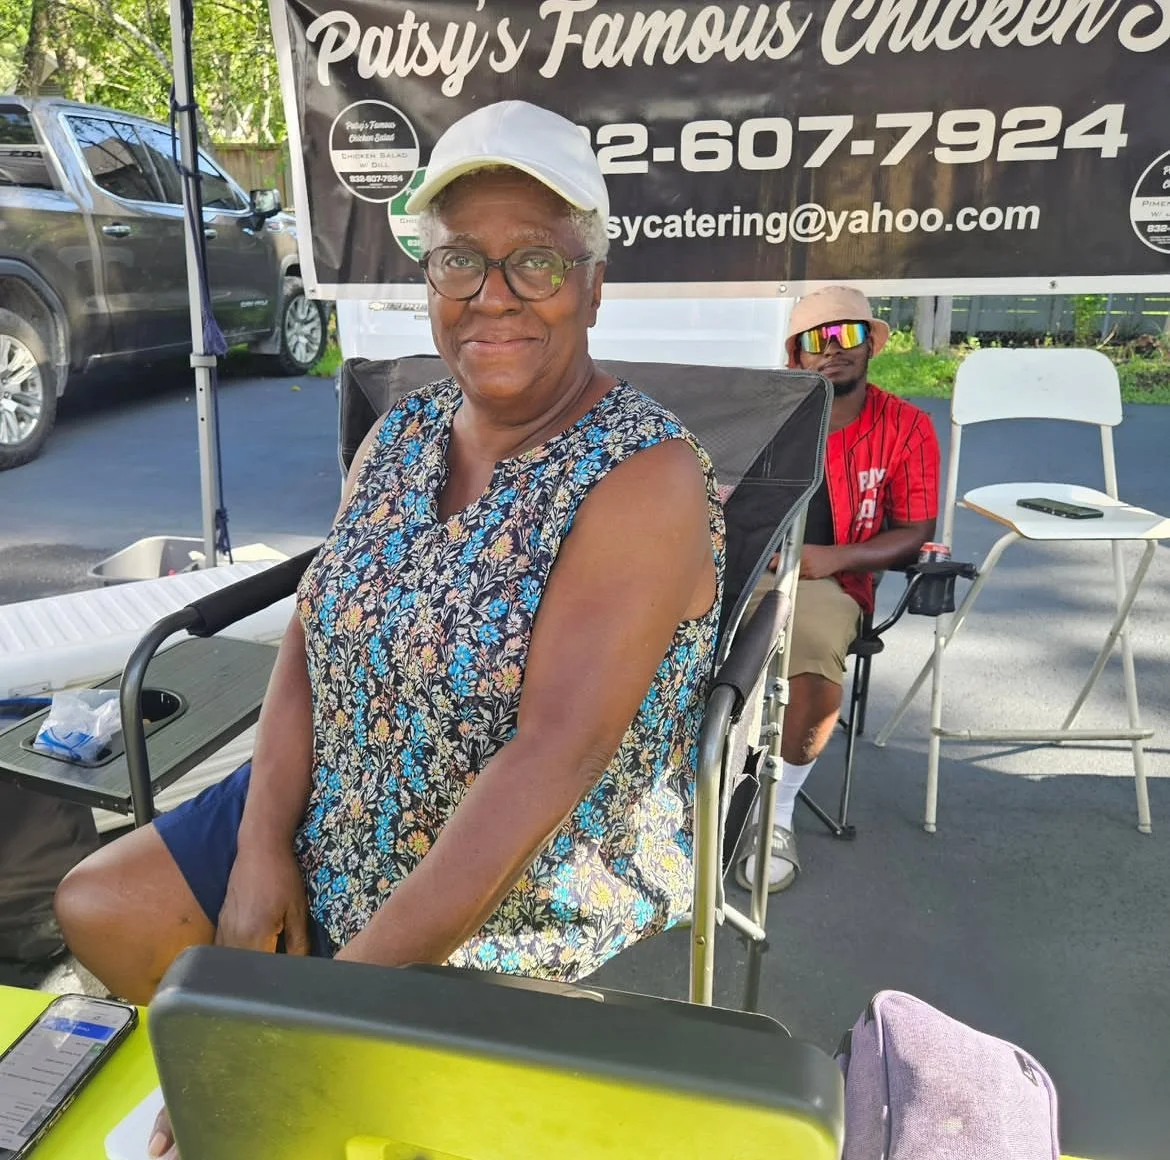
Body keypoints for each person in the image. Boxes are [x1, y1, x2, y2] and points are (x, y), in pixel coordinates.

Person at [54, 100, 725, 1154]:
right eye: (461, 261)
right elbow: (312, 639)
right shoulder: (403, 430)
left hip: (511, 877)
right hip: (339, 803)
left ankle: (309, 1090)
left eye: (536, 263)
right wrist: (264, 843)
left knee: (281, 1085)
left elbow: (552, 758)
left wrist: (303, 1023)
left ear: (593, 280)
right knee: (99, 902)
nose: (493, 296)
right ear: (428, 281)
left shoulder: (646, 478)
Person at [738, 286, 939, 893]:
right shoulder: (762, 415)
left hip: (829, 580)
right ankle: (677, 792)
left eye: (846, 335)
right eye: (815, 341)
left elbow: (916, 531)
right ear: (795, 357)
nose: (832, 350)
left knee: (811, 651)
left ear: (869, 345)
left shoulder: (907, 426)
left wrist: (835, 557)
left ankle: (773, 814)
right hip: (744, 568)